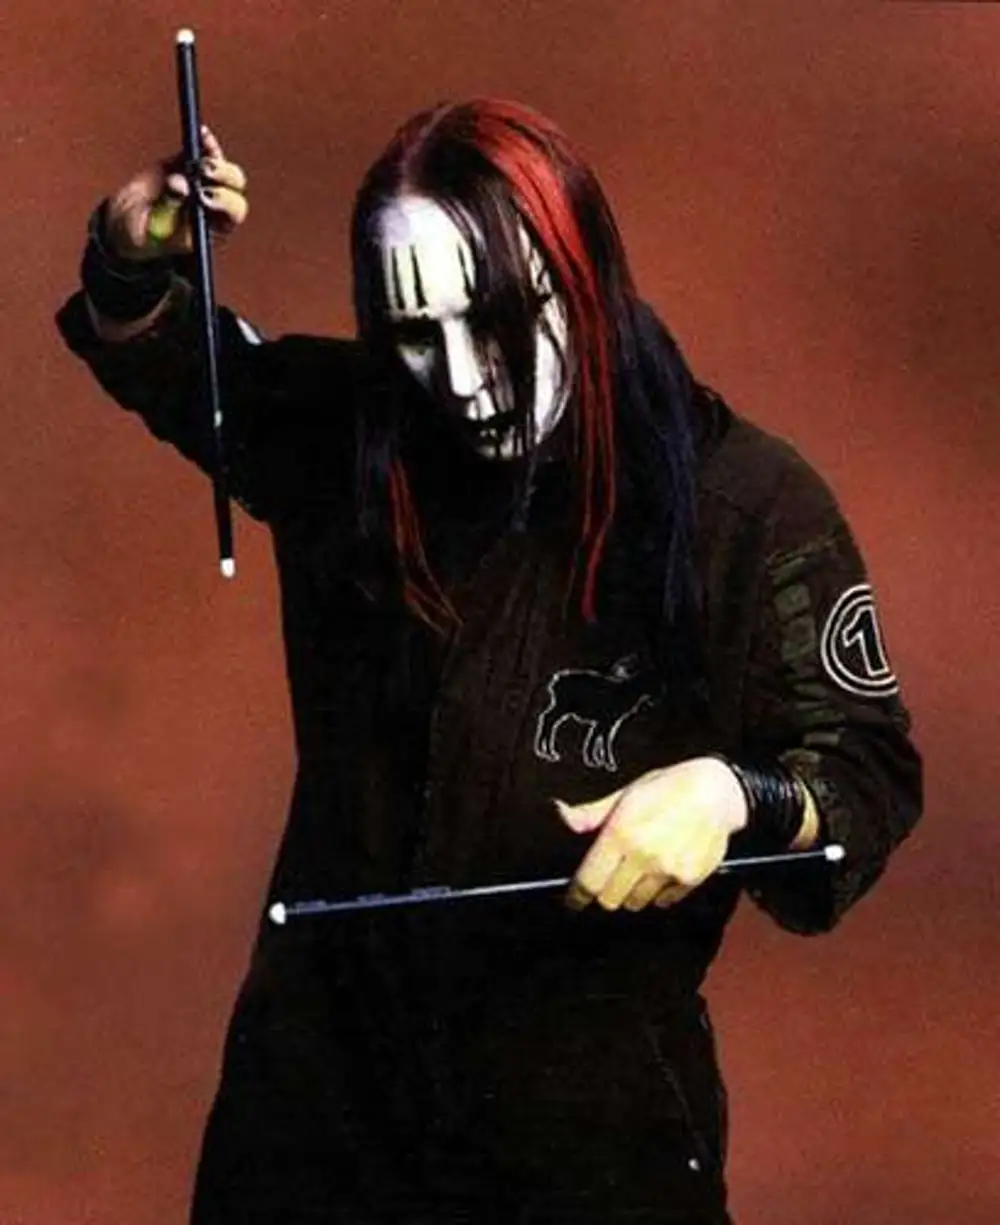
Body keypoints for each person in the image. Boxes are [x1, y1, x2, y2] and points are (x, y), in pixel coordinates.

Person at [57, 99, 922, 1225]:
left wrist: (730, 795)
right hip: (311, 1127)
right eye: (417, 334)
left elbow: (864, 772)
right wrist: (127, 250)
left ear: (584, 277)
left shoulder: (744, 504)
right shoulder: (360, 436)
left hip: (586, 1152)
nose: (465, 379)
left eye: (502, 319)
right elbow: (173, 357)